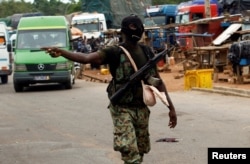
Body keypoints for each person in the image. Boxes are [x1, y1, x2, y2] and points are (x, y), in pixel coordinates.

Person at [41, 14, 177, 164]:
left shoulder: (146, 51)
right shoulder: (114, 52)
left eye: (138, 26)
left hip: (141, 108)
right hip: (122, 108)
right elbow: (87, 58)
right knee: (130, 152)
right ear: (125, 31)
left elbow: (158, 81)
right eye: (133, 26)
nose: (137, 29)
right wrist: (63, 52)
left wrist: (171, 108)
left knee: (140, 149)